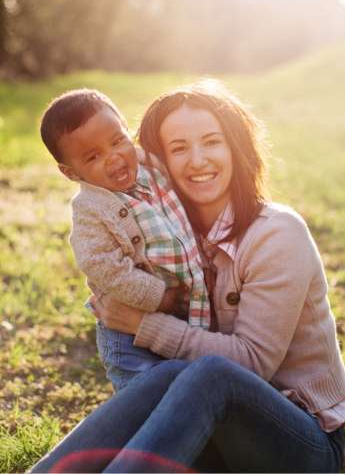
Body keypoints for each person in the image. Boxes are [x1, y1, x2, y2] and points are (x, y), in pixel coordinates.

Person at [31, 80, 345, 473]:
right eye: (178, 148)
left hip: (306, 442)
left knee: (209, 373)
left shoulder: (277, 234)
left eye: (212, 142)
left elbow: (251, 364)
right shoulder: (171, 241)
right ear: (156, 161)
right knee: (177, 374)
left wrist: (146, 324)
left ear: (236, 147)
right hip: (219, 431)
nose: (197, 160)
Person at [39, 89, 210, 391]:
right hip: (127, 326)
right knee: (142, 391)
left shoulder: (150, 171)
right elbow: (102, 265)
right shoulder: (90, 208)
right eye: (93, 156)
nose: (114, 157)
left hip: (185, 310)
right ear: (70, 172)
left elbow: (157, 154)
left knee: (185, 380)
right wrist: (159, 297)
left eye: (118, 141)